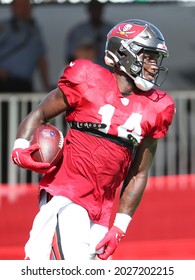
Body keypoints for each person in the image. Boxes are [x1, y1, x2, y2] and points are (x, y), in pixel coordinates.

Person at [11, 19, 175, 261]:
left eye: (155, 59)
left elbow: (139, 172)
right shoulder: (86, 78)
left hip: (102, 207)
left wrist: (119, 227)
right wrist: (20, 147)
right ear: (124, 53)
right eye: (147, 57)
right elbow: (40, 113)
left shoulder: (157, 106)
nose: (153, 66)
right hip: (66, 194)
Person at [0, 0, 49, 92]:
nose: (24, 9)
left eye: (27, 5)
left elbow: (41, 59)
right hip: (4, 83)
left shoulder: (35, 30)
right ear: (13, 8)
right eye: (20, 6)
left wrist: (46, 85)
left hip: (25, 84)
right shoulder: (4, 26)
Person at [65, 0, 113, 67]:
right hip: (83, 71)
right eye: (93, 9)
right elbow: (69, 55)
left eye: (98, 9)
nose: (96, 12)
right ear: (89, 11)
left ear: (102, 10)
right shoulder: (78, 31)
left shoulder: (111, 30)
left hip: (108, 71)